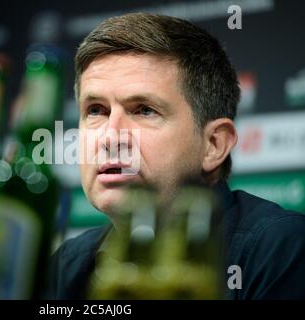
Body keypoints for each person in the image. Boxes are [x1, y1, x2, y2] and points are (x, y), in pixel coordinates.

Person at [46, 13, 305, 299]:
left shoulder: (280, 248)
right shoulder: (67, 265)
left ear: (214, 144)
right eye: (95, 110)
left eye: (144, 110)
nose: (109, 138)